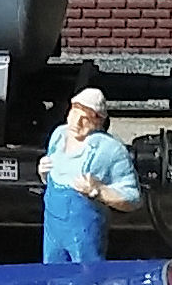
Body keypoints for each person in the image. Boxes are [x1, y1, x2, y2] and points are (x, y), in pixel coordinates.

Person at [39, 88, 142, 263]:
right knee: (52, 272)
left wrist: (99, 191)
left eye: (85, 118)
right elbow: (51, 178)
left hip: (84, 232)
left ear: (98, 121)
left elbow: (133, 198)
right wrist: (44, 173)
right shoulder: (59, 135)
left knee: (87, 275)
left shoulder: (110, 150)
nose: (76, 122)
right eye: (74, 113)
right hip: (53, 228)